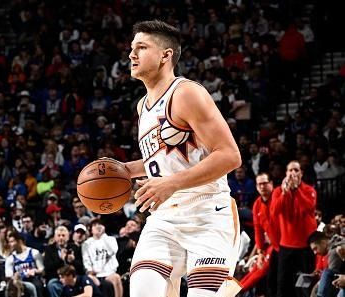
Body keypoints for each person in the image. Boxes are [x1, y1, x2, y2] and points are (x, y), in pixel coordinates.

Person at [124, 20, 242, 297]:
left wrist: (172, 183)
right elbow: (165, 161)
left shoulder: (187, 93)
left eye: (141, 47)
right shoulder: (143, 105)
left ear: (166, 55)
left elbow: (229, 155)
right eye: (132, 48)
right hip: (163, 217)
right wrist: (126, 170)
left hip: (207, 214)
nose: (131, 54)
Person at [271, 160, 317, 297]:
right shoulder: (278, 191)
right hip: (286, 245)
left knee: (305, 285)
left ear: (301, 173)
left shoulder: (309, 190)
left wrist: (296, 190)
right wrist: (285, 193)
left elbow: (309, 208)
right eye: (290, 170)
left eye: (296, 170)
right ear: (286, 173)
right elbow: (274, 211)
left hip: (306, 245)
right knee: (283, 284)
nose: (293, 173)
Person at [240, 173, 279, 296]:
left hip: (284, 244)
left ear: (271, 184)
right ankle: (237, 289)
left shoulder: (279, 198)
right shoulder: (257, 204)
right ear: (256, 187)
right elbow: (258, 230)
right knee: (258, 266)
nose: (262, 186)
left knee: (263, 270)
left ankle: (239, 290)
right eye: (259, 184)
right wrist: (260, 252)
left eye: (265, 183)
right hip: (271, 245)